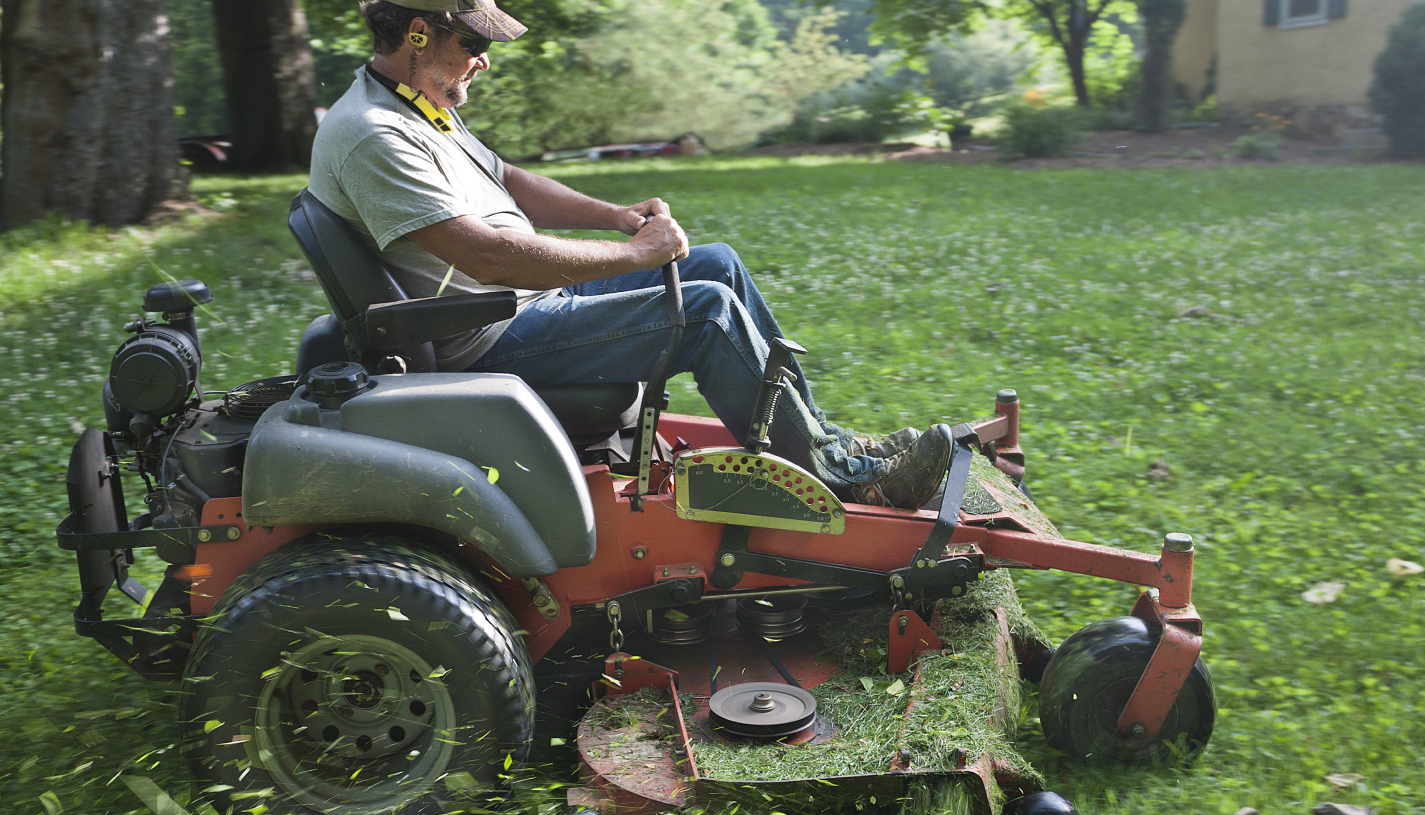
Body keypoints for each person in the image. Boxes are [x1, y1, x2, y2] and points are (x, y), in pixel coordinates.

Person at [307, 0, 951, 509]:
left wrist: (618, 219)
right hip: (488, 335)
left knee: (715, 262)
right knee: (706, 312)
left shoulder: (418, 107)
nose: (484, 61)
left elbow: (508, 181)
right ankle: (843, 480)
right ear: (417, 34)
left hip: (523, 303)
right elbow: (488, 259)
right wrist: (636, 255)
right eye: (473, 44)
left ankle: (826, 440)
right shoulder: (374, 135)